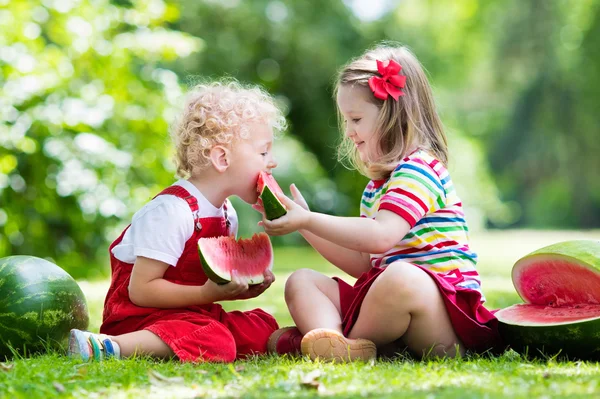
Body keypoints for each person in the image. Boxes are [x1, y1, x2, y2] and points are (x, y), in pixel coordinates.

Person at [264, 44, 503, 362]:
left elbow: (381, 235)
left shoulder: (419, 170)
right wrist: (304, 223)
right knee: (301, 281)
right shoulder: (377, 187)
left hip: (443, 322)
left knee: (400, 277)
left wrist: (309, 220)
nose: (348, 131)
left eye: (356, 119)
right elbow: (365, 264)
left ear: (393, 115)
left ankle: (340, 342)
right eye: (346, 121)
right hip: (389, 312)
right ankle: (338, 343)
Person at [68, 79, 286, 363]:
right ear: (222, 158)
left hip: (192, 314)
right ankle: (110, 346)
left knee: (260, 324)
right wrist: (206, 293)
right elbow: (142, 291)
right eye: (263, 152)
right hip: (139, 317)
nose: (272, 162)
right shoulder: (172, 211)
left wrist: (242, 287)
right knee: (216, 339)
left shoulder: (226, 213)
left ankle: (300, 341)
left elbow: (213, 284)